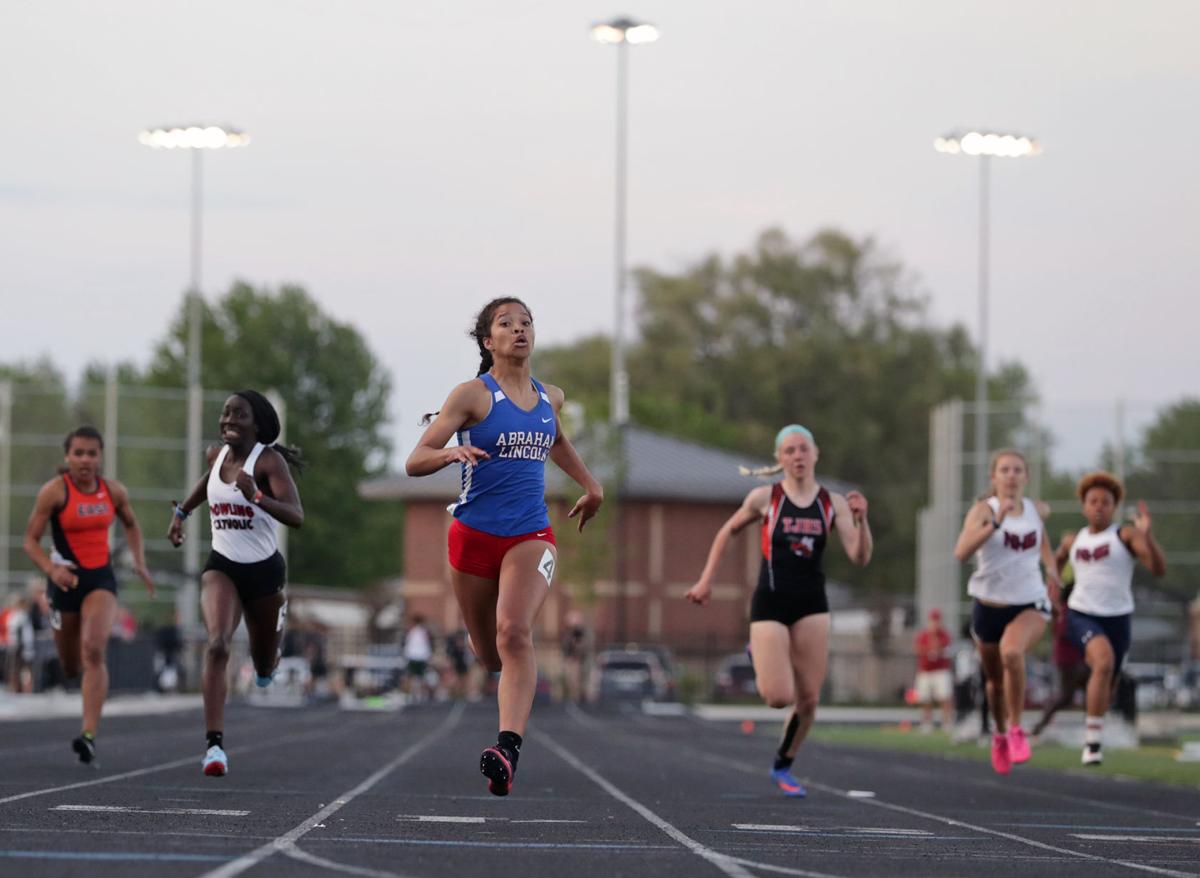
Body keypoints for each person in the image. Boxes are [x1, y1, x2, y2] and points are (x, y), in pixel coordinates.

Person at [406, 296, 603, 796]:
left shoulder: (549, 396)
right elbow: (416, 459)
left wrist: (591, 485)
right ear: (488, 341)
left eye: (526, 322)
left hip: (530, 536)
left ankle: (507, 749)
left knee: (515, 634)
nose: (519, 330)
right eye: (506, 324)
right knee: (489, 653)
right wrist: (451, 452)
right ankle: (495, 672)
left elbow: (555, 440)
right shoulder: (473, 396)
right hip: (472, 538)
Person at [686, 425, 872, 797]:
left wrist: (861, 520)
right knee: (778, 698)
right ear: (779, 459)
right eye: (790, 451)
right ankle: (761, 652)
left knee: (809, 700)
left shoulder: (831, 503)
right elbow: (727, 532)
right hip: (771, 600)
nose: (798, 456)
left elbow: (860, 557)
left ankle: (784, 763)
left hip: (812, 604)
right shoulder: (764, 498)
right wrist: (706, 580)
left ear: (815, 454)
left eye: (803, 449)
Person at [168, 390, 304, 777]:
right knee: (217, 644)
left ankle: (268, 656)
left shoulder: (269, 462)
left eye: (238, 415)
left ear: (257, 424)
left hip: (264, 572)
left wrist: (257, 496)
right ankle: (214, 747)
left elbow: (296, 515)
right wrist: (182, 512)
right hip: (222, 566)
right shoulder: (217, 457)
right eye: (225, 413)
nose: (228, 420)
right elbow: (207, 481)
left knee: (263, 667)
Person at [22, 425, 155, 763]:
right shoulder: (54, 492)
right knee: (69, 664)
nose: (85, 460)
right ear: (67, 456)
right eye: (78, 453)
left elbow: (131, 524)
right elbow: (30, 541)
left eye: (91, 453)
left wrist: (139, 562)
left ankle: (89, 735)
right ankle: (76, 678)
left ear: (100, 457)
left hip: (100, 579)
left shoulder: (113, 491)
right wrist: (53, 570)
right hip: (63, 582)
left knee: (94, 651)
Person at [954, 448, 1060, 775]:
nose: (1012, 475)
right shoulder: (984, 511)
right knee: (994, 684)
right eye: (1005, 470)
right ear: (994, 477)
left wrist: (1052, 571)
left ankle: (1016, 729)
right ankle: (999, 735)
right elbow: (961, 552)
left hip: (1029, 602)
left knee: (1012, 653)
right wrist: (993, 526)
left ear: (1026, 476)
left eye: (1017, 470)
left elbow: (1041, 542)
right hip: (989, 606)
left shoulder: (1034, 510)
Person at [1057, 471, 1165, 765]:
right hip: (1081, 613)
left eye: (1105, 502)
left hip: (1117, 618)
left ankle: (1094, 721)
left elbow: (1157, 568)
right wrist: (1051, 597)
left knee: (1109, 680)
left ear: (1114, 507)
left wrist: (1147, 535)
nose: (1099, 507)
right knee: (1102, 661)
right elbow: (1053, 567)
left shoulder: (1125, 536)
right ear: (1084, 506)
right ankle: (1092, 742)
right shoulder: (1073, 540)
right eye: (1093, 501)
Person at [1031, 581, 1090, 737]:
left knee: (1084, 691)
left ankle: (1092, 726)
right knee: (1066, 696)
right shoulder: (1067, 611)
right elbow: (1065, 633)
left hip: (1070, 657)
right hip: (1068, 658)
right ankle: (1039, 726)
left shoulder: (1066, 610)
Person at [913, 608, 953, 732]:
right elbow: (917, 649)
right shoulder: (923, 635)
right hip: (925, 671)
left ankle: (946, 722)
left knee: (945, 697)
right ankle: (926, 722)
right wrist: (928, 648)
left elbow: (945, 648)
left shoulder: (944, 635)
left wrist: (935, 644)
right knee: (925, 698)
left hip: (941, 670)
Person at [560, 609, 591, 704]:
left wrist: (578, 646)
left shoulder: (582, 633)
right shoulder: (568, 633)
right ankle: (572, 697)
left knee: (580, 680)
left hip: (580, 661)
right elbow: (566, 647)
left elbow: (584, 647)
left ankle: (581, 697)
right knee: (571, 681)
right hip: (571, 660)